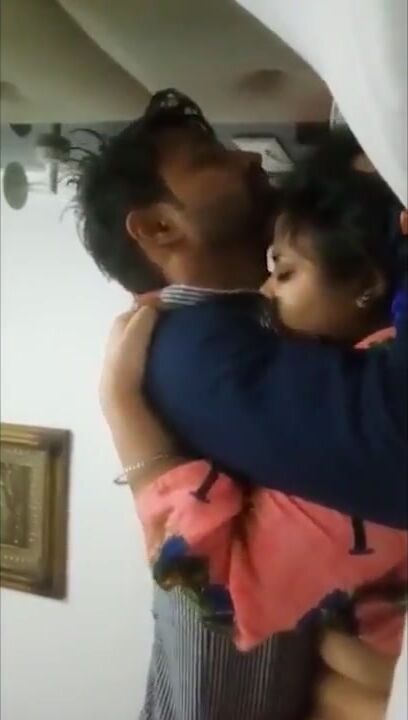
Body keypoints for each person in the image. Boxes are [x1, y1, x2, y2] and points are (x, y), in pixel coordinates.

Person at [73, 90, 407, 719]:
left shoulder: (248, 323)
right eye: (209, 159)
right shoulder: (194, 355)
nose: (248, 160)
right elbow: (396, 440)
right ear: (158, 228)